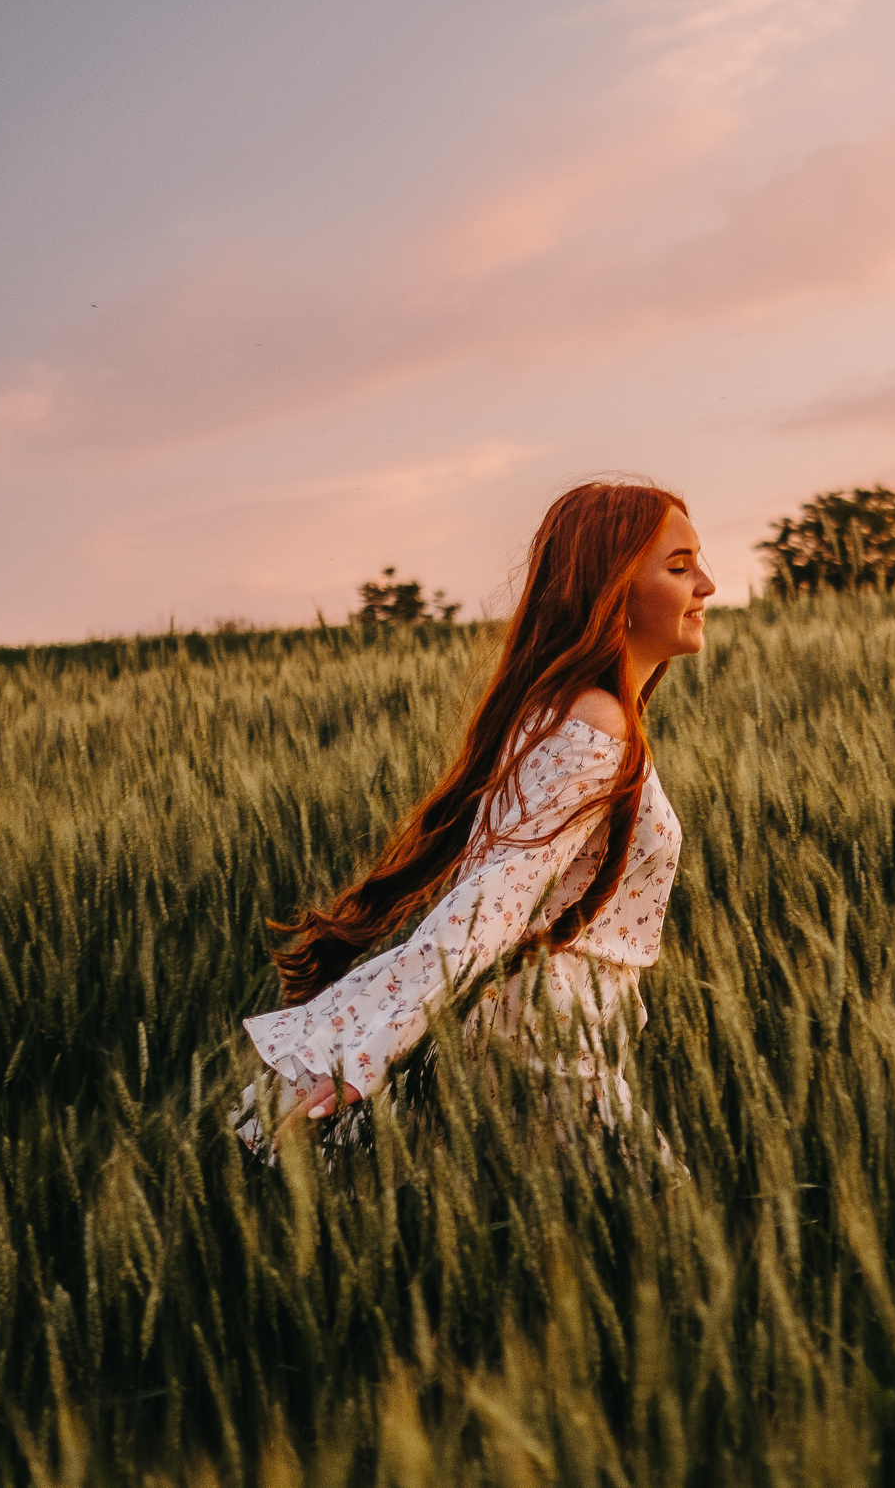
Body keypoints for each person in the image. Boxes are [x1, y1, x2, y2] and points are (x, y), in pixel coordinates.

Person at [237, 481, 715, 1161]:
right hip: (547, 1046)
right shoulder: (594, 723)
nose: (709, 583)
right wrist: (375, 1048)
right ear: (613, 589)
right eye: (679, 566)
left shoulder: (573, 712)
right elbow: (497, 896)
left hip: (541, 1031)